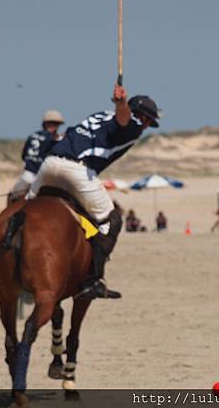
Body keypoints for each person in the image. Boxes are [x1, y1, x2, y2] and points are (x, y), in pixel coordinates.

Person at [24, 84, 162, 300]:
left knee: (23, 210)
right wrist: (122, 103)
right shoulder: (133, 122)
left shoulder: (98, 116)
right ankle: (92, 280)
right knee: (112, 221)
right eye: (148, 122)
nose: (146, 128)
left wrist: (119, 106)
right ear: (142, 117)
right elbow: (124, 120)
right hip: (77, 171)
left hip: (49, 165)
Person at [8, 110, 65, 203]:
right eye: (52, 123)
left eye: (55, 123)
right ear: (46, 123)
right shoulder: (55, 139)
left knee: (12, 196)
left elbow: (24, 155)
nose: (53, 125)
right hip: (45, 177)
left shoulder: (32, 136)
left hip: (28, 175)